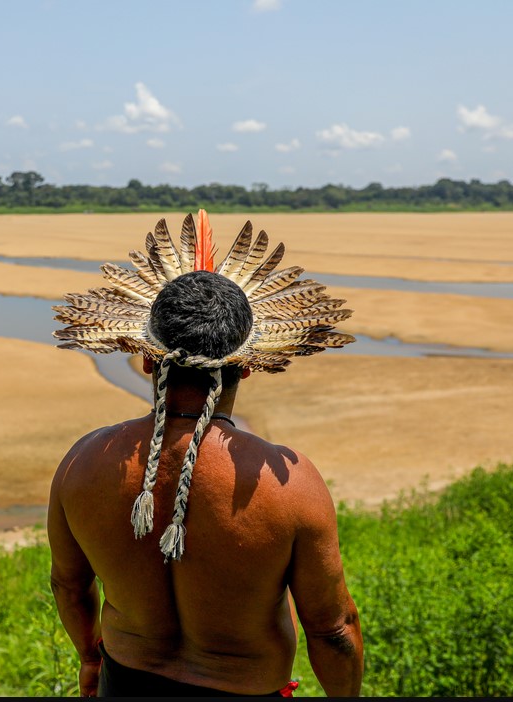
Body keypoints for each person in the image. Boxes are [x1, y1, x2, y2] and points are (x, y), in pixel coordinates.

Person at [48, 211, 363, 697]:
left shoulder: (83, 462)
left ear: (148, 357)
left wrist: (91, 660)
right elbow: (333, 629)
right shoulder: (291, 486)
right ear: (250, 365)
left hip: (125, 681)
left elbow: (69, 588)